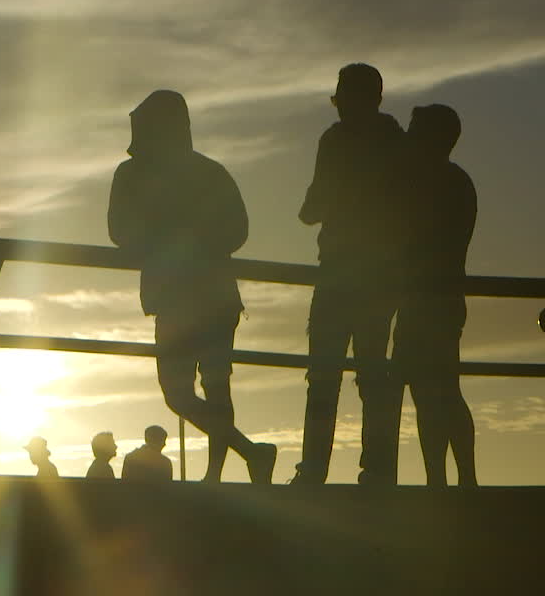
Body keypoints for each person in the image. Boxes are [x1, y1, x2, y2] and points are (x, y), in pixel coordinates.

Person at [108, 89, 277, 484]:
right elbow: (120, 230)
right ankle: (249, 454)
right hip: (194, 297)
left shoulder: (182, 173)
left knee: (206, 388)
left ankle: (223, 469)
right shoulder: (152, 173)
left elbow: (237, 230)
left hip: (197, 298)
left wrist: (169, 240)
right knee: (189, 391)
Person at [295, 64, 407, 485]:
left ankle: (313, 469)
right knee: (372, 375)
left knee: (324, 375)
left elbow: (312, 208)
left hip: (341, 273)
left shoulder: (336, 140)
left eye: (341, 99)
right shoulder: (396, 141)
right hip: (378, 277)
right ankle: (376, 470)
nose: (339, 107)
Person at [394, 105, 477, 487]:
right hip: (437, 299)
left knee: (435, 391)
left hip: (429, 300)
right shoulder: (456, 180)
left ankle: (445, 480)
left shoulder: (432, 182)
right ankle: (452, 479)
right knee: (438, 389)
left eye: (414, 129)